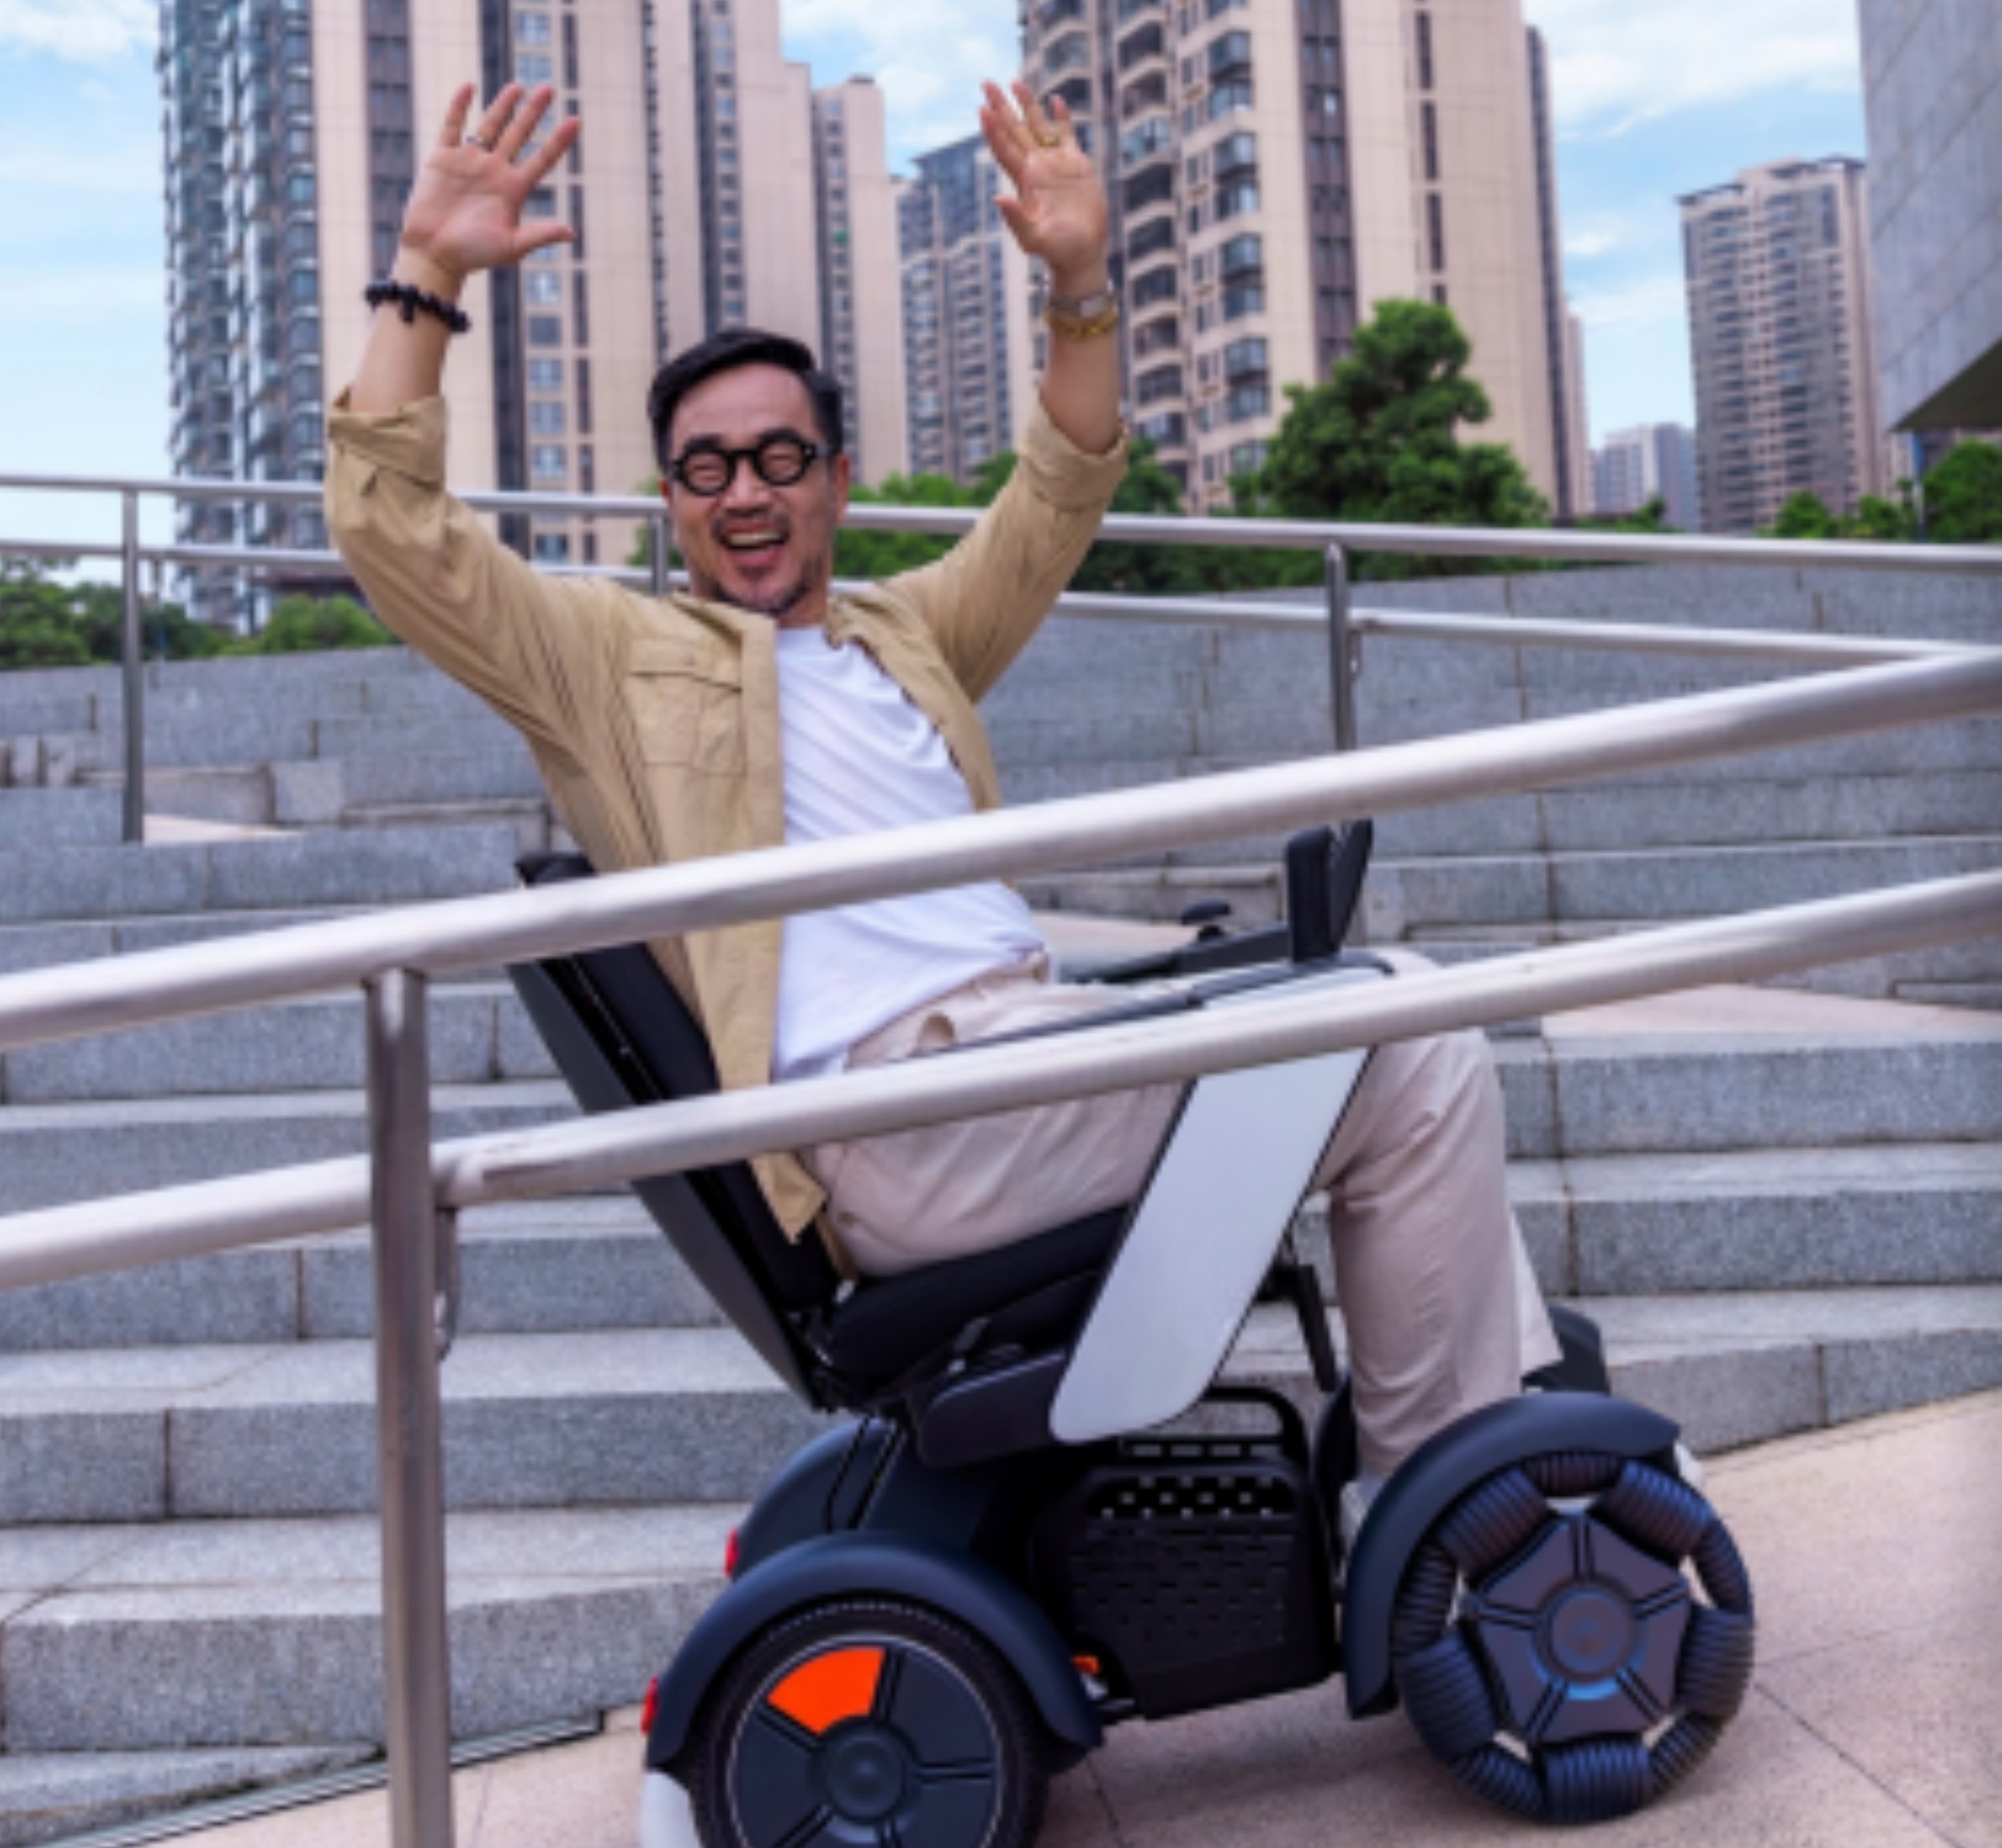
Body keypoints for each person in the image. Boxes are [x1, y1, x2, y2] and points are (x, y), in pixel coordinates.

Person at [328, 78, 1559, 1489]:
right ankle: (1462, 1509)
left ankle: (1477, 1470)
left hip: (1026, 1053)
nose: (745, 493)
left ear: (837, 481)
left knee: (1395, 1006)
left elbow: (1061, 489)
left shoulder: (906, 636)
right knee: (1412, 1053)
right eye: (707, 469)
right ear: (671, 500)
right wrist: (426, 271)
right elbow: (393, 532)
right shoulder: (604, 662)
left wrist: (1081, 282)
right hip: (901, 1115)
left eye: (779, 458)